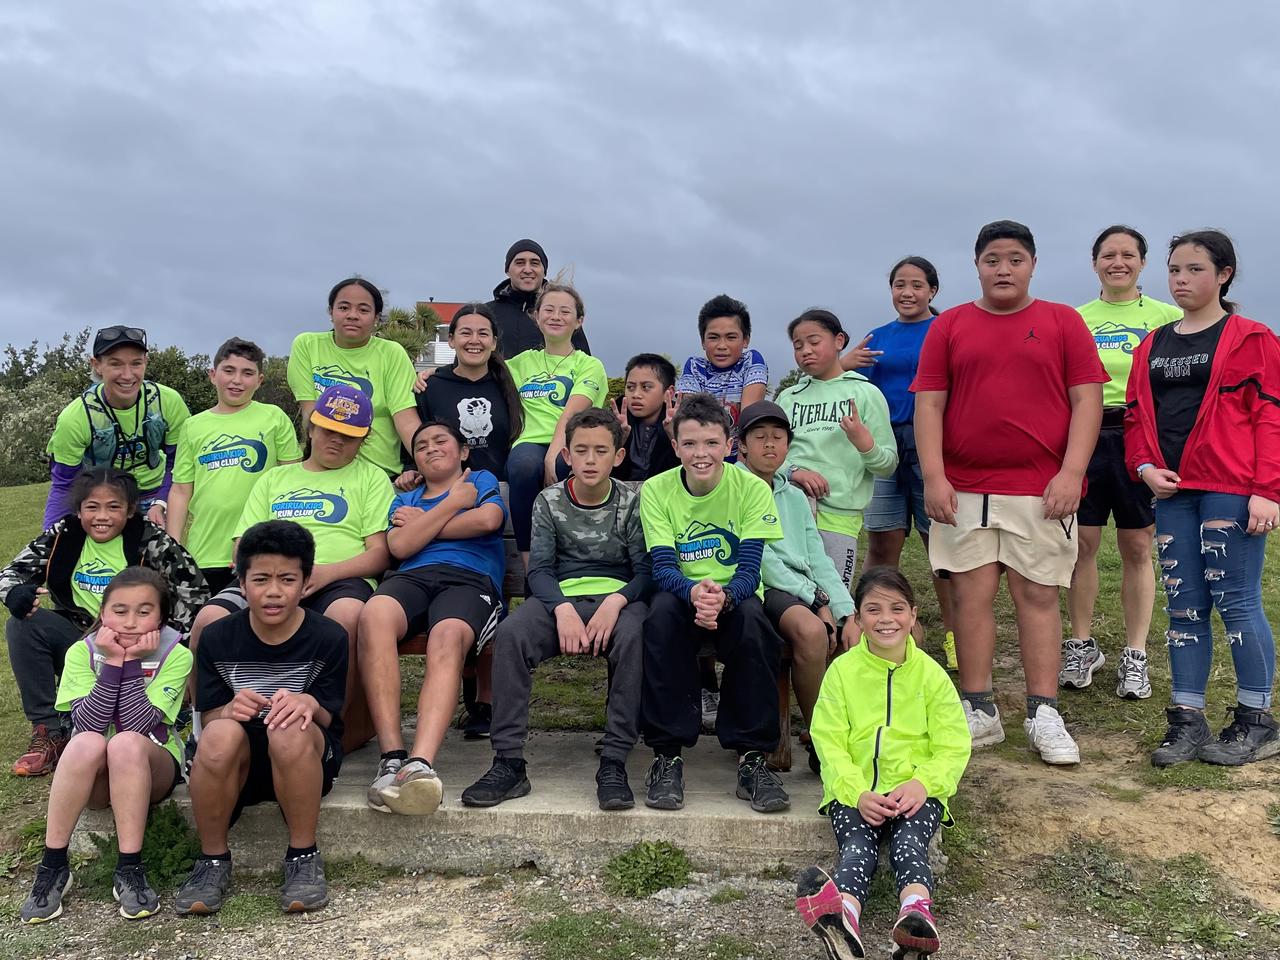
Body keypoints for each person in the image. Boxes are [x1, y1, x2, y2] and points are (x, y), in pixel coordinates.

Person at [912, 219, 1107, 766]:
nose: (1004, 269)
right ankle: (980, 710)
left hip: (1041, 489)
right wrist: (934, 476)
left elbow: (1087, 401)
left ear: (1033, 265)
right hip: (964, 489)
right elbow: (930, 403)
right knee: (970, 597)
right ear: (977, 266)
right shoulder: (949, 325)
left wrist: (1071, 472)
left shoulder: (1062, 321)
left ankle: (1044, 712)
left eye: (1015, 259)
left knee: (1039, 596)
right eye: (992, 259)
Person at [1126, 229, 1280, 767]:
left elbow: (1270, 416)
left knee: (1236, 601)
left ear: (1224, 274)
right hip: (1174, 492)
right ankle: (1187, 721)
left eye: (1194, 269)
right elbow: (1135, 417)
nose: (1181, 279)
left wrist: (1267, 491)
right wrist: (1144, 467)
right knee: (1183, 606)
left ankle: (1257, 721)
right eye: (1174, 269)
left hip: (1231, 489)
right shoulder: (1152, 344)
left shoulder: (1252, 338)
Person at [462, 408, 651, 811]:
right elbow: (541, 570)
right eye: (580, 450)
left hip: (617, 601)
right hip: (559, 599)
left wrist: (616, 602)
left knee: (634, 635)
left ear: (618, 456)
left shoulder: (632, 503)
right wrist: (562, 608)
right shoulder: (549, 501)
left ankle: (614, 761)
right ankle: (508, 762)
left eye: (601, 451)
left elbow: (645, 571)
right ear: (566, 455)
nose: (590, 459)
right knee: (512, 633)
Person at [193, 384, 393, 753]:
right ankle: (206, 727)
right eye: (329, 430)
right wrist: (265, 578)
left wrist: (325, 573)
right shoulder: (275, 479)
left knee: (348, 615)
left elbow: (379, 554)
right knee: (208, 619)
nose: (337, 441)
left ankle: (334, 729)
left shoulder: (371, 478)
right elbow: (242, 543)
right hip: (270, 576)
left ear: (363, 440)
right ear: (311, 427)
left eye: (349, 436)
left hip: (339, 578)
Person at [795, 567, 970, 960]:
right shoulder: (841, 673)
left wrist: (924, 783)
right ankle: (843, 919)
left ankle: (915, 917)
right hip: (855, 792)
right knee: (857, 848)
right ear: (858, 619)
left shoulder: (932, 676)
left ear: (913, 615)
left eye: (897, 608)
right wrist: (856, 792)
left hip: (915, 792)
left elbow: (953, 745)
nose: (886, 619)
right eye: (873, 610)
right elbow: (829, 742)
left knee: (909, 845)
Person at [176, 521, 347, 915]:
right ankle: (212, 860)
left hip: (303, 756)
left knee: (289, 728)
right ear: (241, 582)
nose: (273, 591)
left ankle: (303, 856)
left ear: (306, 583)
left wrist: (307, 703)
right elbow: (208, 714)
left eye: (287, 579)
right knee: (218, 735)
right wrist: (228, 710)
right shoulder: (217, 637)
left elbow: (329, 715)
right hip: (239, 763)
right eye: (260, 579)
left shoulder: (329, 636)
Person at [1, 468, 205, 777]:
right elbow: (10, 573)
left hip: (142, 643)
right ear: (78, 509)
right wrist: (14, 593)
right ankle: (48, 729)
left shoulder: (149, 538)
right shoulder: (64, 534)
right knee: (21, 623)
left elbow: (194, 591)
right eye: (92, 507)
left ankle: (158, 712)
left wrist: (173, 642)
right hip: (82, 636)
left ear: (130, 510)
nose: (102, 516)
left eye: (113, 507)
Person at [639, 393, 788, 814]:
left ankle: (752, 758)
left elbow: (750, 569)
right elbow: (662, 567)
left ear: (729, 444)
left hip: (734, 594)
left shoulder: (752, 488)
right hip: (682, 594)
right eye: (689, 444)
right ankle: (667, 756)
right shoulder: (657, 490)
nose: (700, 454)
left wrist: (724, 598)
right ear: (675, 447)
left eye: (710, 443)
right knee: (660, 618)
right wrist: (693, 593)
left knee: (755, 625)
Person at [20, 568, 192, 924]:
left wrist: (131, 663)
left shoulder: (177, 655)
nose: (130, 622)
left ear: (161, 618)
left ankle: (129, 868)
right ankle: (53, 866)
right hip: (95, 774)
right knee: (84, 742)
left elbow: (138, 725)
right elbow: (88, 724)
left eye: (144, 612)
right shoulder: (81, 652)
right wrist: (113, 661)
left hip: (151, 763)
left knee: (125, 743)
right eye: (119, 610)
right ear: (102, 613)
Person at [360, 421, 506, 815]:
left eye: (441, 441)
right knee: (374, 613)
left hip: (470, 579)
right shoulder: (406, 497)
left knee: (448, 635)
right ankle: (392, 757)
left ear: (463, 451)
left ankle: (420, 765)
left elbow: (488, 520)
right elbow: (400, 545)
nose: (431, 448)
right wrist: (453, 504)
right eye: (421, 445)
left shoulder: (480, 479)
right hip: (412, 578)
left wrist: (423, 525)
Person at [1062, 226, 1181, 700]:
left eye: (1128, 255)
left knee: (1136, 546)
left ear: (1142, 263)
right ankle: (1081, 644)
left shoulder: (1167, 316)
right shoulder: (1075, 319)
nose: (1118, 263)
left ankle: (1135, 654)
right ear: (1094, 263)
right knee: (1082, 545)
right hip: (1087, 435)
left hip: (1141, 436)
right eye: (1108, 255)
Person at [736, 400, 856, 775]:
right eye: (759, 437)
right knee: (811, 631)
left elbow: (817, 556)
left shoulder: (793, 495)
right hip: (761, 587)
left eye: (778, 437)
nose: (769, 444)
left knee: (854, 633)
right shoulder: (734, 487)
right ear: (742, 446)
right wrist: (816, 601)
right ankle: (823, 740)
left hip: (802, 588)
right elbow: (763, 560)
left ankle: (850, 735)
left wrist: (845, 609)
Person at [862, 257, 957, 670]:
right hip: (885, 443)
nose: (907, 292)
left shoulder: (946, 328)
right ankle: (875, 631)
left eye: (917, 285)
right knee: (882, 542)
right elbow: (858, 386)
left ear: (932, 290)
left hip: (931, 443)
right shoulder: (877, 337)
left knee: (940, 546)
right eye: (899, 284)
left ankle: (955, 637)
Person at [168, 337, 302, 594]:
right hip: (204, 552)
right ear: (213, 375)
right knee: (205, 618)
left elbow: (292, 481)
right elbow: (181, 490)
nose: (237, 380)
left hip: (259, 552)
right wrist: (173, 548)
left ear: (259, 380)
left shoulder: (274, 417)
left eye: (247, 373)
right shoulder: (192, 426)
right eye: (229, 370)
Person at [778, 308, 898, 593]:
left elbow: (887, 464)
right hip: (788, 511)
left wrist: (864, 444)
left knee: (833, 596)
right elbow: (766, 457)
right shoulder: (787, 398)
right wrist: (794, 472)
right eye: (798, 345)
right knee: (788, 591)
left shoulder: (866, 393)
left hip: (839, 517)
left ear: (839, 341)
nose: (806, 351)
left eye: (814, 341)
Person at [44, 326, 191, 530]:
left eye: (136, 363)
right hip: (102, 500)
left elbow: (180, 464)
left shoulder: (168, 402)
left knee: (159, 550)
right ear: (97, 365)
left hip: (155, 494)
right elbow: (64, 484)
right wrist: (50, 538)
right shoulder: (75, 418)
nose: (127, 375)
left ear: (146, 362)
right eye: (116, 364)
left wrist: (161, 502)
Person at [506, 282, 608, 566]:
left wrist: (554, 450)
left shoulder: (589, 365)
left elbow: (573, 412)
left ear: (579, 321)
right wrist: (429, 375)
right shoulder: (519, 363)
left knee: (565, 466)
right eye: (548, 310)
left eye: (565, 311)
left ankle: (571, 564)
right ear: (536, 316)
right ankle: (530, 567)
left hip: (573, 441)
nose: (556, 316)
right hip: (529, 442)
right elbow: (475, 369)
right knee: (524, 468)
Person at [287, 277, 419, 479]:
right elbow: (310, 415)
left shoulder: (392, 353)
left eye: (363, 310)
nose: (352, 315)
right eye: (344, 307)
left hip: (380, 474)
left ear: (376, 317)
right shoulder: (307, 345)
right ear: (331, 312)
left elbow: (406, 421)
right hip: (324, 470)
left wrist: (428, 467)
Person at [398, 302, 524, 486]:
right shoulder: (429, 387)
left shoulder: (511, 384)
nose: (474, 340)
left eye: (483, 334)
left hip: (503, 489)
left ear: (494, 342)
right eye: (466, 333)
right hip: (447, 490)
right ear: (451, 340)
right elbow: (419, 438)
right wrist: (410, 468)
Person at [675, 294, 768, 462]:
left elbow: (749, 419)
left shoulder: (751, 361)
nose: (722, 346)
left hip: (741, 458)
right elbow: (692, 419)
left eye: (731, 337)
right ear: (703, 342)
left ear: (746, 340)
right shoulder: (695, 367)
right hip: (703, 457)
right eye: (713, 337)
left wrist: (740, 469)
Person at [487, 239, 590, 356]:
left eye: (534, 263)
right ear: (507, 270)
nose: (527, 270)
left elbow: (583, 359)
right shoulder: (487, 314)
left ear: (544, 271)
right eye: (520, 263)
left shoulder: (562, 316)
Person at [612, 353, 679, 482]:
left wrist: (674, 435)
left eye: (646, 387)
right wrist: (618, 440)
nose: (636, 394)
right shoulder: (613, 421)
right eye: (630, 387)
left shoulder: (685, 423)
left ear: (669, 393)